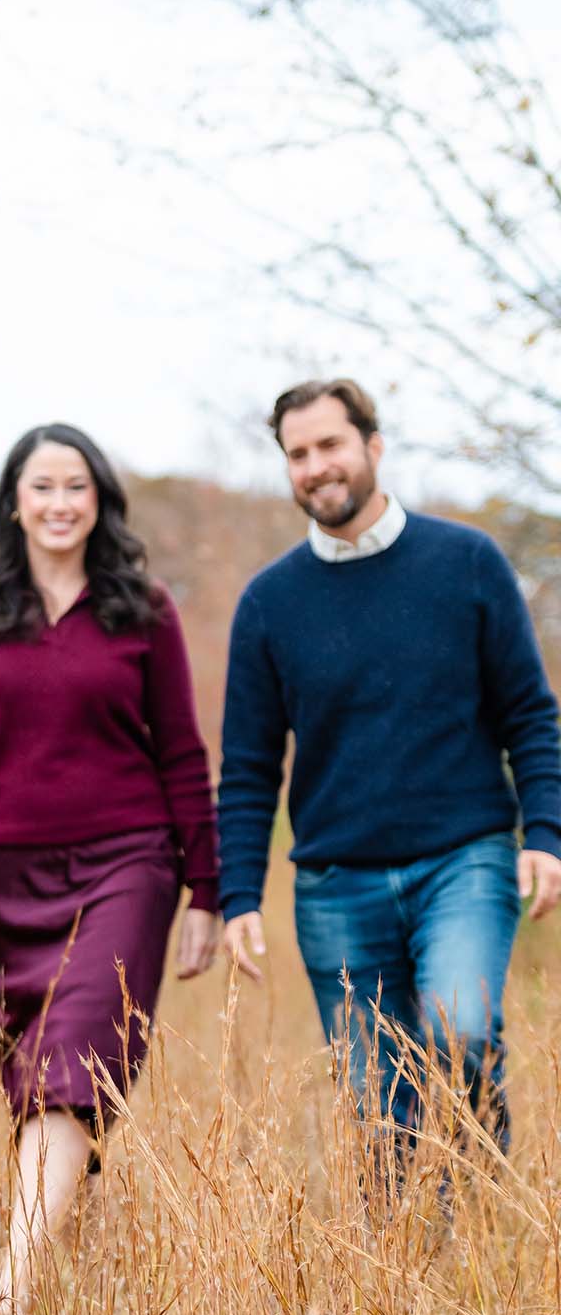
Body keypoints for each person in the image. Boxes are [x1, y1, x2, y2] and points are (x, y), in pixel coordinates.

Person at [219, 378, 561, 1175]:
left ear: (373, 445)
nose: (316, 466)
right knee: (377, 1110)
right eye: (298, 453)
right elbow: (249, 768)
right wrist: (239, 894)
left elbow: (529, 714)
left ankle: (482, 1199)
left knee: (459, 1031)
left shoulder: (467, 562)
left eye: (330, 444)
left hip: (464, 858)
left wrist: (544, 832)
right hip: (336, 884)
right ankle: (412, 1241)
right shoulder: (269, 602)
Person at [0, 423, 219, 1315]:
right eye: (43, 486)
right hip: (7, 885)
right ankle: (71, 1285)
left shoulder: (145, 610)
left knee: (76, 1062)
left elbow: (181, 753)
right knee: (39, 1086)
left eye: (77, 486)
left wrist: (207, 890)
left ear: (101, 502)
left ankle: (7, 1306)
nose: (60, 503)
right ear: (14, 502)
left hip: (128, 866)